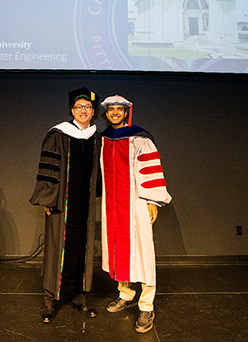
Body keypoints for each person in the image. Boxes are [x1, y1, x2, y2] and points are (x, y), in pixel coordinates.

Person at [100, 95, 172, 334]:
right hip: (112, 206)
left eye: (119, 109)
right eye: (111, 110)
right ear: (106, 114)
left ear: (126, 112)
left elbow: (150, 170)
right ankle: (125, 294)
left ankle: (146, 305)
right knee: (120, 249)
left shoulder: (140, 140)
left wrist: (152, 201)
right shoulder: (104, 139)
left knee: (142, 252)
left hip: (136, 204)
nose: (115, 113)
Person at [30, 87, 101, 323]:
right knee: (56, 248)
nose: (83, 111)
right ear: (72, 110)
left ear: (93, 113)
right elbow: (48, 168)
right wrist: (47, 199)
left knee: (83, 247)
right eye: (79, 107)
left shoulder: (96, 137)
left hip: (85, 205)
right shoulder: (58, 134)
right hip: (62, 203)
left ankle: (79, 296)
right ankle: (50, 300)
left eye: (88, 108)